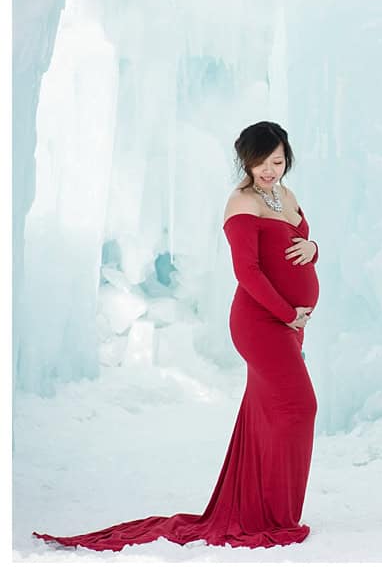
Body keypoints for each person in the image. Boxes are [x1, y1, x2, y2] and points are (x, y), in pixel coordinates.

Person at [33, 121, 321, 550]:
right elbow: (248, 272)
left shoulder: (286, 195)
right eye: (260, 162)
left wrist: (315, 250)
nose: (269, 170)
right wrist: (286, 314)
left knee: (269, 415)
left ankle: (267, 509)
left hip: (288, 325)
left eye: (277, 161)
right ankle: (273, 514)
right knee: (299, 406)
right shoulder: (240, 202)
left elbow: (301, 243)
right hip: (261, 322)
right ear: (245, 161)